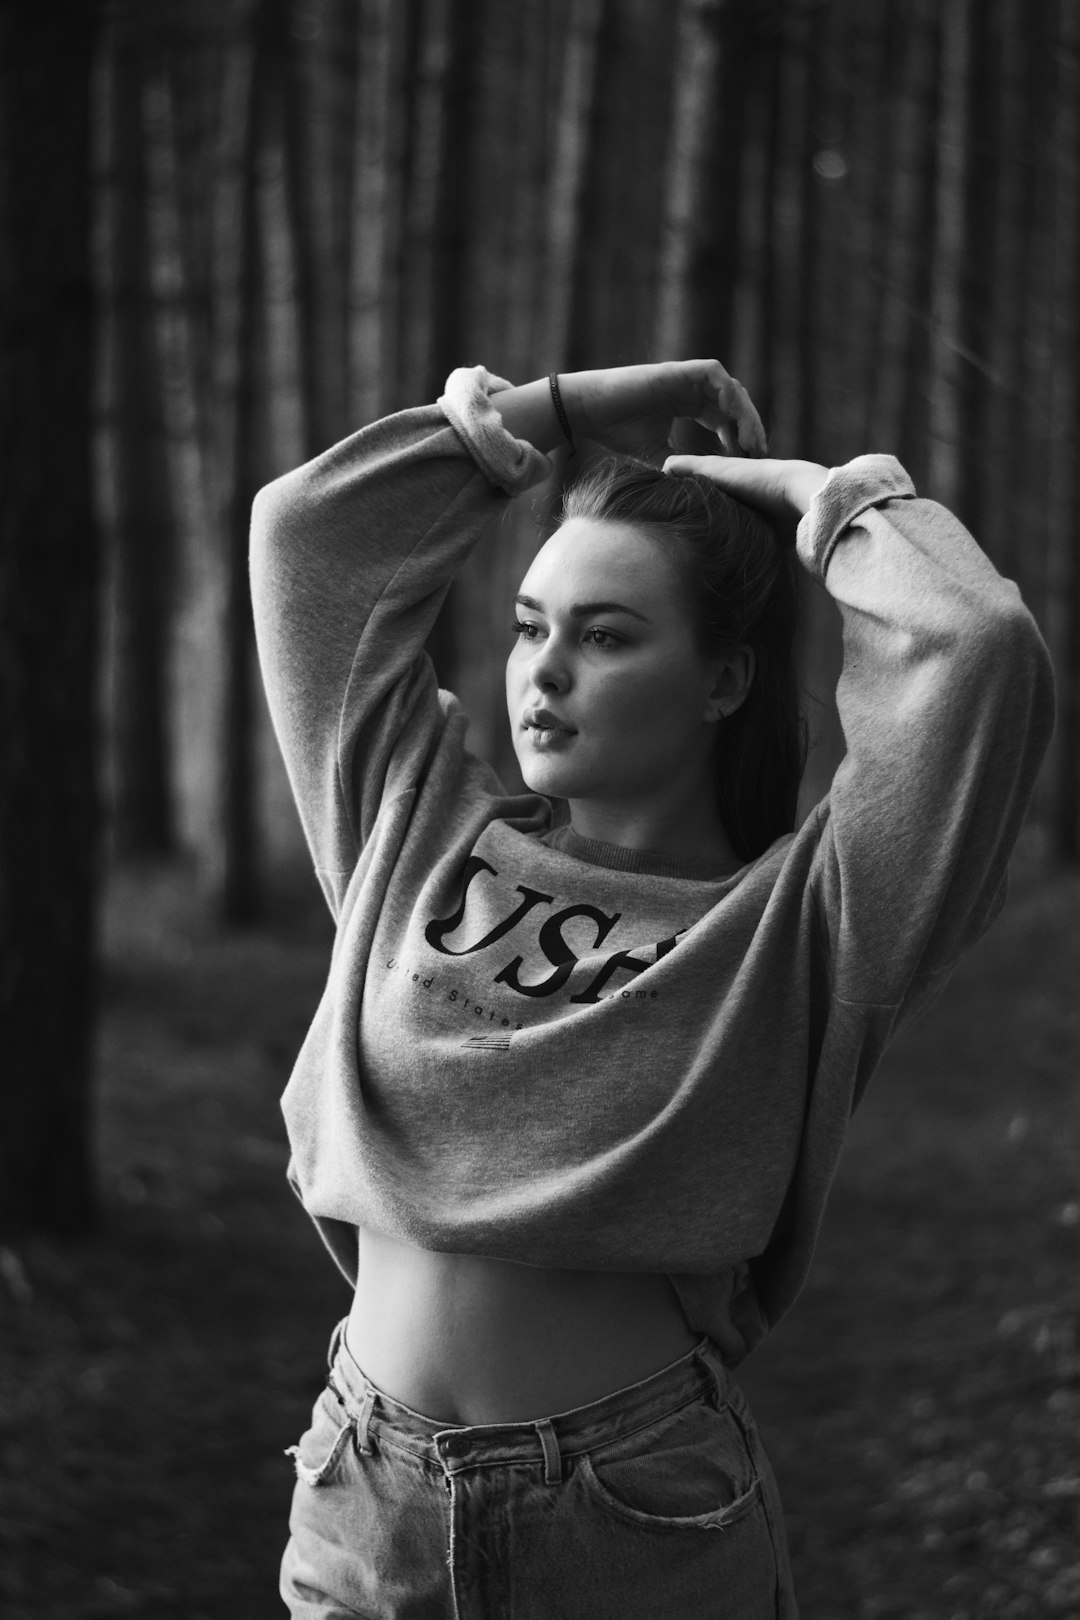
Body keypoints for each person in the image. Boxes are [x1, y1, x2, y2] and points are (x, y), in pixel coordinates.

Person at [251, 360, 1054, 1619]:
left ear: (724, 681)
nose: (544, 671)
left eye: (607, 634)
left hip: (632, 1522)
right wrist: (560, 411)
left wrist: (819, 499)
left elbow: (977, 645)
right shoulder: (408, 829)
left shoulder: (805, 926)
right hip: (363, 1505)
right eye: (529, 625)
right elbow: (305, 535)